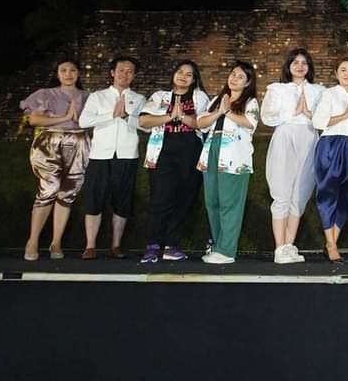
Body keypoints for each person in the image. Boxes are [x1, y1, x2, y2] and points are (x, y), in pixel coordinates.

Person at [138, 60, 210, 263]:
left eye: (189, 74)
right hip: (163, 154)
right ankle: (153, 246)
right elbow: (143, 120)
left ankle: (171, 245)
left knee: (184, 199)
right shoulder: (159, 96)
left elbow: (203, 124)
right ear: (173, 74)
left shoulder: (200, 97)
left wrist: (183, 117)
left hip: (191, 154)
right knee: (160, 199)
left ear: (194, 79)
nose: (183, 76)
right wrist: (170, 117)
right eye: (180, 71)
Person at [19, 59, 90, 261]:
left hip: (79, 143)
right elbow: (34, 120)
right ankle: (33, 240)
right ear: (57, 73)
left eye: (72, 70)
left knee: (68, 192)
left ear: (78, 73)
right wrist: (65, 117)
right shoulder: (45, 94)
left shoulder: (87, 97)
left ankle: (56, 242)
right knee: (49, 189)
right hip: (50, 143)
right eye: (63, 70)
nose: (68, 74)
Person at [261, 48, 324, 264]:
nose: (300, 66)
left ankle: (289, 245)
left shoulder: (319, 91)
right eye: (295, 62)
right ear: (288, 66)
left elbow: (324, 119)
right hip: (285, 136)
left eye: (304, 63)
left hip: (309, 137)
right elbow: (267, 117)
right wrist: (293, 112)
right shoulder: (277, 89)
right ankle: (279, 247)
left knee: (300, 195)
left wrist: (308, 113)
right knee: (282, 193)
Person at [78, 55, 145, 259]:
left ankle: (116, 245)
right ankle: (90, 246)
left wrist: (127, 117)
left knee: (122, 201)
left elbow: (146, 126)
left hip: (127, 155)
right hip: (100, 155)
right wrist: (112, 115)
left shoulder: (139, 99)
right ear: (112, 73)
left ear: (134, 76)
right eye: (121, 70)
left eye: (130, 71)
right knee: (94, 199)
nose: (125, 74)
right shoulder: (98, 97)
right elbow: (84, 121)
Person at [196, 61, 259, 264]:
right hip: (211, 152)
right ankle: (217, 245)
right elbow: (201, 123)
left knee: (229, 204)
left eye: (240, 77)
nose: (234, 78)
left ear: (247, 82)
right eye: (233, 74)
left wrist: (228, 111)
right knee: (212, 202)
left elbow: (250, 123)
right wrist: (219, 111)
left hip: (234, 156)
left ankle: (227, 251)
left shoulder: (250, 102)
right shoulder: (217, 100)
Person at [311, 57, 348, 264]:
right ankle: (331, 245)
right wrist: (345, 115)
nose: (347, 73)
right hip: (332, 145)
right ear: (336, 73)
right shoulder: (328, 94)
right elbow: (318, 122)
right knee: (329, 191)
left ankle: (332, 241)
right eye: (343, 70)